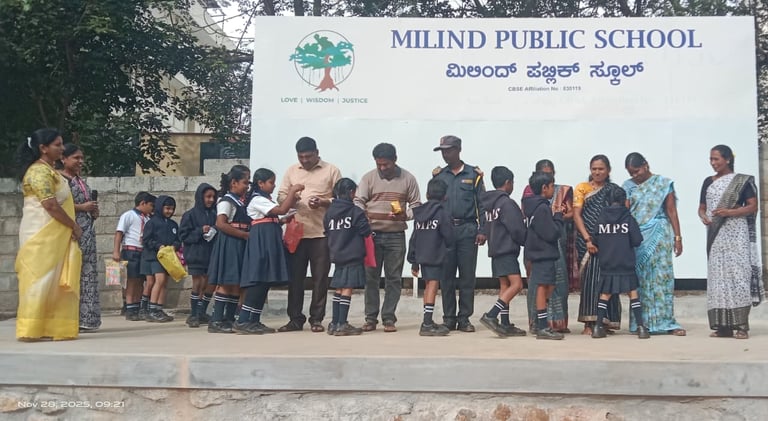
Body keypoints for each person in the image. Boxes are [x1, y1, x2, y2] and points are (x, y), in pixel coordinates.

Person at [15, 128, 82, 341]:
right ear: (43, 148)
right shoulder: (38, 171)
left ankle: (50, 326)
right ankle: (30, 328)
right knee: (39, 279)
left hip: (56, 235)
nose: (62, 148)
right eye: (57, 145)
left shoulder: (51, 171)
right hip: (40, 234)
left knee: (54, 281)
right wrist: (73, 226)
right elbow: (50, 205)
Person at [355, 143, 421, 333]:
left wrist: (405, 215)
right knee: (371, 278)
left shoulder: (408, 178)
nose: (382, 168)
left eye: (386, 164)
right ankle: (370, 318)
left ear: (395, 160)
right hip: (372, 235)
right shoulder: (368, 178)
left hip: (396, 235)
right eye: (379, 165)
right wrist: (362, 217)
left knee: (394, 278)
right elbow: (358, 201)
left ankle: (389, 318)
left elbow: (416, 205)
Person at [277, 137, 341, 333]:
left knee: (320, 278)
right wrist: (292, 198)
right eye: (301, 157)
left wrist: (323, 202)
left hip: (321, 233)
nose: (304, 160)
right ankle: (295, 319)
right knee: (295, 278)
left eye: (308, 156)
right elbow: (280, 196)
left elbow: (341, 199)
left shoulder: (331, 170)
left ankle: (316, 319)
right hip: (296, 233)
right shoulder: (292, 171)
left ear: (317, 153)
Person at [698, 145, 762, 339]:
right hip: (716, 234)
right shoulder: (708, 182)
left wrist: (730, 212)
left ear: (727, 159)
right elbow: (702, 207)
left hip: (736, 233)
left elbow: (752, 206)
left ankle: (742, 326)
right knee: (718, 278)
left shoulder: (742, 181)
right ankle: (722, 327)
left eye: (716, 159)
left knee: (738, 275)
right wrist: (703, 216)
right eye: (711, 159)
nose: (713, 163)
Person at [623, 152, 686, 336]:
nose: (635, 176)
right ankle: (640, 323)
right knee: (640, 281)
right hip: (637, 238)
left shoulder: (663, 183)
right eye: (631, 173)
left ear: (646, 164)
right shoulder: (627, 186)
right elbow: (625, 212)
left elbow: (671, 211)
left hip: (659, 235)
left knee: (662, 279)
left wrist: (678, 237)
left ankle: (667, 323)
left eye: (637, 171)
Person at [236, 169, 303, 334]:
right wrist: (292, 191)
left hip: (268, 241)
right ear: (260, 183)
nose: (273, 186)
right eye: (271, 182)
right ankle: (243, 320)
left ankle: (254, 320)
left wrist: (284, 219)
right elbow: (280, 210)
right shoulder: (257, 199)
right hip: (261, 242)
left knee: (265, 281)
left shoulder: (266, 199)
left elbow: (276, 217)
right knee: (258, 280)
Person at [431, 135, 486, 332]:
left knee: (467, 276)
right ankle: (448, 318)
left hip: (467, 229)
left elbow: (482, 204)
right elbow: (434, 204)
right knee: (446, 276)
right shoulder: (439, 176)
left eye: (449, 150)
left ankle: (464, 318)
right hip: (445, 231)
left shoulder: (474, 175)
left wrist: (483, 229)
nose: (445, 154)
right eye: (443, 151)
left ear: (458, 150)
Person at [522, 159, 574, 334]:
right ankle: (542, 325)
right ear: (544, 187)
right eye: (551, 185)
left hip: (541, 252)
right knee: (543, 287)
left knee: (548, 286)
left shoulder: (533, 204)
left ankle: (542, 322)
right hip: (544, 252)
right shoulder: (542, 207)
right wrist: (558, 217)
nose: (554, 188)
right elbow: (551, 233)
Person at [590, 184, 650, 339]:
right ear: (624, 200)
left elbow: (595, 239)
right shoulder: (628, 218)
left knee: (605, 294)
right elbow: (637, 240)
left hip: (608, 263)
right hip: (625, 263)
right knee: (633, 294)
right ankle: (641, 328)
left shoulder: (601, 218)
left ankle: (597, 327)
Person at [573, 154, 621, 336]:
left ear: (608, 170)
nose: (597, 172)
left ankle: (606, 321)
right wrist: (587, 239)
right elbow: (577, 215)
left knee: (608, 280)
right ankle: (589, 322)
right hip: (587, 242)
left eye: (601, 169)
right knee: (590, 281)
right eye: (594, 169)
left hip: (609, 242)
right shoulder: (582, 188)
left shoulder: (613, 190)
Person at [478, 166, 527, 337]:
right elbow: (516, 228)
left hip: (495, 249)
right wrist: (525, 239)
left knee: (505, 285)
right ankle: (491, 315)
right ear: (508, 183)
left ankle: (505, 323)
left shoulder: (489, 205)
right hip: (507, 250)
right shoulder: (507, 203)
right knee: (517, 284)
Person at [59, 144, 100, 332]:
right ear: (63, 159)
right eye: (76, 158)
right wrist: (82, 208)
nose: (80, 161)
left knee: (88, 275)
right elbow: (55, 205)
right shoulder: (60, 180)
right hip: (71, 234)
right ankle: (69, 318)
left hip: (88, 234)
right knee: (71, 274)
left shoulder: (80, 181)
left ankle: (87, 319)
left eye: (82, 158)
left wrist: (93, 211)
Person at [324, 178, 372, 336]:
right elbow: (365, 231)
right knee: (347, 287)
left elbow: (326, 230)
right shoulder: (355, 211)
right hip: (352, 254)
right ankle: (343, 324)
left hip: (336, 254)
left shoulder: (329, 212)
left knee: (339, 287)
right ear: (351, 192)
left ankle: (334, 323)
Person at [207, 165, 252, 333]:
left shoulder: (241, 201)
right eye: (245, 182)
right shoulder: (226, 201)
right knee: (226, 282)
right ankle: (216, 320)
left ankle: (229, 318)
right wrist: (244, 235)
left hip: (239, 243)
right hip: (230, 243)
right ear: (234, 183)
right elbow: (221, 224)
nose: (247, 186)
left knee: (236, 283)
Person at [408, 179, 454, 337]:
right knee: (433, 286)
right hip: (436, 255)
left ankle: (427, 320)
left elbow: (414, 238)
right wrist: (448, 249)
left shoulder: (419, 214)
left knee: (428, 286)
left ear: (427, 194)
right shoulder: (442, 214)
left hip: (421, 256)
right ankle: (427, 324)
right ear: (445, 197)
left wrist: (413, 260)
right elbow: (449, 236)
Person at [179, 183, 217, 328]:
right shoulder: (190, 215)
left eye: (213, 197)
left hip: (210, 253)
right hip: (196, 254)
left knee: (209, 283)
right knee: (198, 283)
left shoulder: (214, 214)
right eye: (208, 197)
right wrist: (200, 231)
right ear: (200, 197)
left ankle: (202, 311)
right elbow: (184, 235)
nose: (211, 200)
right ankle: (194, 314)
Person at [114, 192, 155, 321]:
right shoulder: (128, 215)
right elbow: (119, 233)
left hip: (143, 252)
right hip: (131, 250)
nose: (152, 208)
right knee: (131, 280)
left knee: (140, 280)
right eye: (151, 205)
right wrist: (116, 251)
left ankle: (137, 305)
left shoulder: (148, 219)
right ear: (143, 203)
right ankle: (130, 307)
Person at [141, 195, 180, 323]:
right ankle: (151, 309)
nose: (169, 211)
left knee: (164, 282)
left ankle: (158, 308)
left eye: (172, 209)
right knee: (159, 280)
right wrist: (158, 246)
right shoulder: (152, 223)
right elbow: (146, 240)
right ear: (160, 207)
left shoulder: (173, 224)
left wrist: (174, 246)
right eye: (167, 208)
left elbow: (178, 240)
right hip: (154, 257)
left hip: (168, 258)